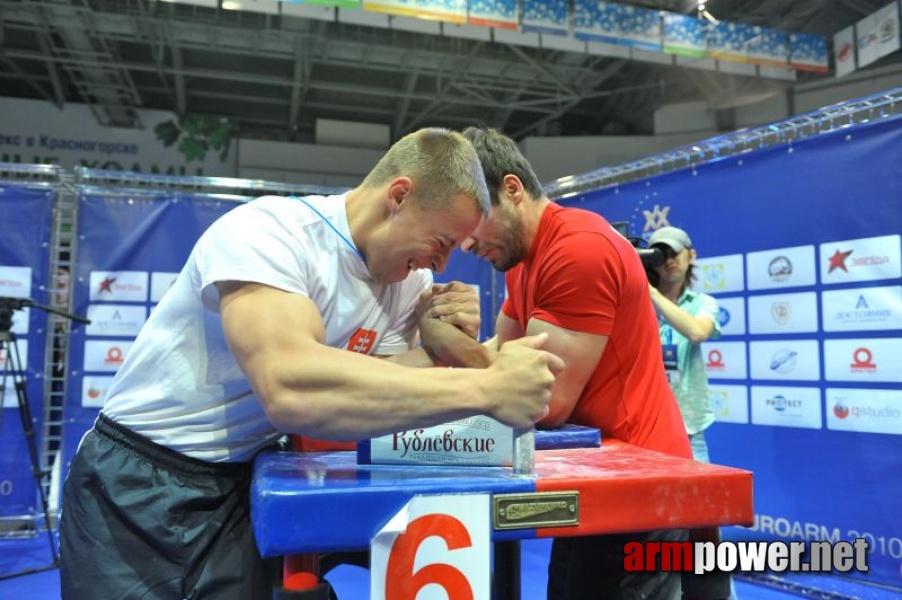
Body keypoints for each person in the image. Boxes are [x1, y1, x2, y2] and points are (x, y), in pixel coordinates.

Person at [58, 127, 563, 599]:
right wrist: (488, 387)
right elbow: (290, 388)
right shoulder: (270, 233)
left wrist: (451, 354)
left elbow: (374, 389)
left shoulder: (407, 285)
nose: (443, 265)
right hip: (139, 479)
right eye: (441, 243)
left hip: (241, 482)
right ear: (399, 196)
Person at [450, 127, 692, 600]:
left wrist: (459, 360)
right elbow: (496, 356)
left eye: (471, 224)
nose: (464, 246)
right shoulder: (522, 261)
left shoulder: (577, 249)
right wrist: (454, 347)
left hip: (641, 484)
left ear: (512, 190)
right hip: (596, 472)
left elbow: (542, 399)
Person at [648, 226, 736, 600]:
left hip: (689, 430)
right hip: (646, 433)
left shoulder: (703, 303)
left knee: (703, 526)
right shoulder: (632, 301)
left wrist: (649, 294)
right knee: (650, 526)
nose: (667, 260)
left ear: (691, 256)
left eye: (674, 253)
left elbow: (697, 332)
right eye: (658, 254)